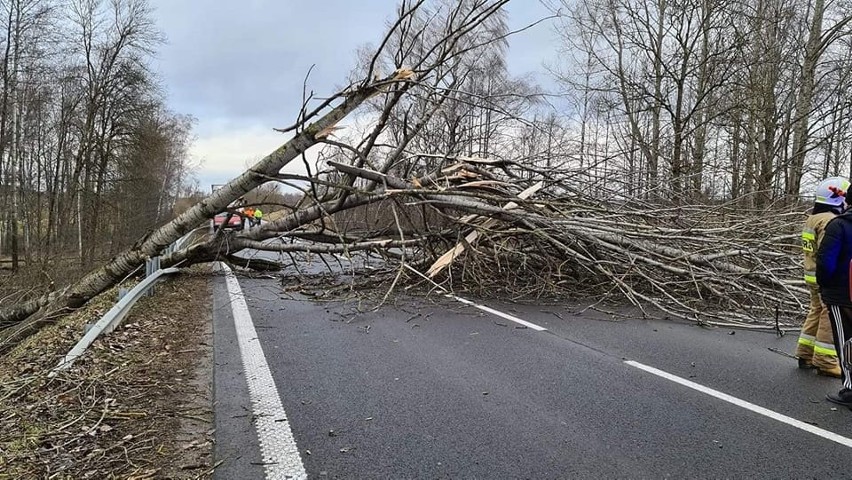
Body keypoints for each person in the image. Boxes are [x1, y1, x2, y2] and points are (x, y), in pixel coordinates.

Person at [797, 176, 848, 377]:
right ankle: (826, 361)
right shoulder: (829, 221)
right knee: (829, 315)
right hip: (824, 276)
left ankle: (805, 353)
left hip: (811, 273)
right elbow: (829, 252)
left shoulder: (813, 218)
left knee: (816, 310)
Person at [815, 178, 852, 408]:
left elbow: (826, 262)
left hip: (842, 295)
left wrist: (824, 286)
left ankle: (850, 389)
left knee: (846, 340)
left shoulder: (839, 225)